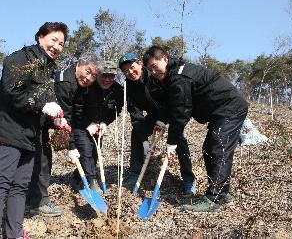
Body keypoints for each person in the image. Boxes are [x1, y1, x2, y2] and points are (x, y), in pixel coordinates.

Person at [0, 22, 68, 239]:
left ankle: (14, 234)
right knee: (1, 184)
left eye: (61, 43)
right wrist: (43, 105)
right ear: (40, 37)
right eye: (53, 40)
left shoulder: (48, 70)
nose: (57, 46)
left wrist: (54, 121)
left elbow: (42, 106)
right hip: (10, 131)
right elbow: (13, 93)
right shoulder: (20, 59)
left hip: (30, 136)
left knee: (20, 187)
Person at [142, 45, 249, 212]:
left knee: (217, 149)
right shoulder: (172, 77)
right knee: (210, 148)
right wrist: (162, 121)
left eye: (154, 67)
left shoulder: (179, 77)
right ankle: (222, 192)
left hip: (229, 108)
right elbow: (171, 104)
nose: (153, 72)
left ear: (165, 59)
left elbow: (181, 113)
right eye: (149, 70)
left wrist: (172, 142)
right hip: (219, 111)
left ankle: (215, 198)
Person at [25, 54, 102, 216]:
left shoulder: (81, 86)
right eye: (87, 72)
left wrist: (88, 124)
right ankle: (36, 202)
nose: (89, 78)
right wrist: (71, 146)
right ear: (78, 65)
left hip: (49, 122)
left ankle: (35, 199)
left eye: (93, 76)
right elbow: (65, 117)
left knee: (45, 159)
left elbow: (75, 114)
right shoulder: (64, 83)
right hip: (33, 121)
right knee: (41, 159)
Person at [117, 53, 196, 194]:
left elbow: (170, 98)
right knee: (137, 132)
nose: (129, 72)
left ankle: (188, 179)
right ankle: (135, 172)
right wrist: (144, 141)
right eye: (125, 71)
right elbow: (135, 114)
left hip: (171, 111)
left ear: (139, 64)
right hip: (153, 115)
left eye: (132, 67)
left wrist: (163, 119)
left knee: (178, 139)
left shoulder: (154, 75)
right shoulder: (128, 87)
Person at [67, 61, 124, 194]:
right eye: (104, 75)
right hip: (81, 124)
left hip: (99, 126)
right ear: (98, 75)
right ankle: (92, 181)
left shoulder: (118, 90)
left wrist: (105, 122)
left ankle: (76, 177)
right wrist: (88, 124)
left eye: (111, 76)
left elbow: (117, 110)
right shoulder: (87, 86)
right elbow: (77, 108)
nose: (107, 79)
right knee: (86, 150)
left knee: (94, 153)